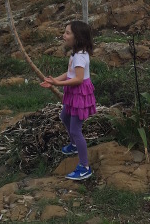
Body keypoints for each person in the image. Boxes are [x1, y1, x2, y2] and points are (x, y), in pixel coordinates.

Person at [40, 20, 96, 180]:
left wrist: (58, 83)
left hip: (79, 95)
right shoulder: (76, 54)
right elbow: (69, 74)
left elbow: (78, 79)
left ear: (77, 37)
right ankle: (74, 145)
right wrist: (53, 80)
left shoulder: (79, 57)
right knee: (64, 116)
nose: (64, 36)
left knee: (75, 130)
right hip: (73, 94)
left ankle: (85, 167)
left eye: (67, 33)